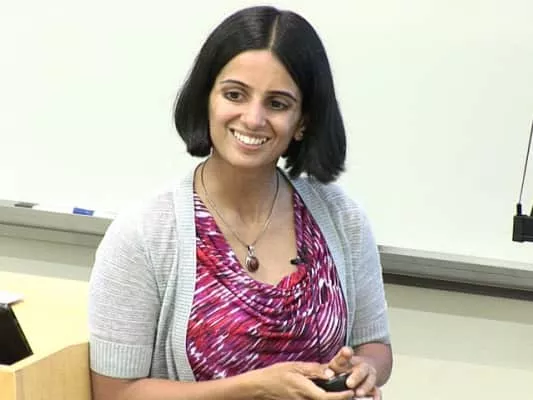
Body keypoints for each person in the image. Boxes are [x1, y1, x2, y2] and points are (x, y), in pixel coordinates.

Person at [88, 5, 392, 400]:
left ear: (303, 122)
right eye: (235, 95)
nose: (253, 118)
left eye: (277, 103)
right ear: (207, 99)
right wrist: (254, 388)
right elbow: (115, 394)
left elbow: (375, 346)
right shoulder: (142, 236)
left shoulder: (342, 218)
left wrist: (364, 369)